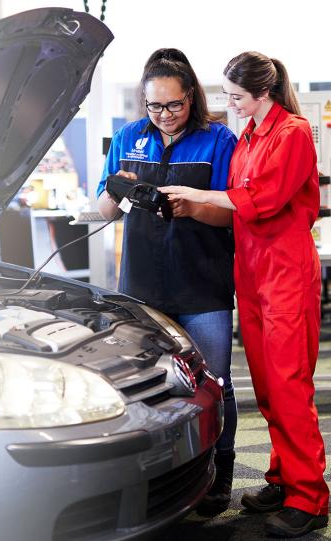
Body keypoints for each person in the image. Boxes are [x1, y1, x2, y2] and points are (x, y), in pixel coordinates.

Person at [159, 51, 329, 537]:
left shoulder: (292, 132)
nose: (229, 104)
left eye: (236, 96)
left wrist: (196, 195)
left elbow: (260, 199)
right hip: (252, 271)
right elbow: (239, 197)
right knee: (269, 386)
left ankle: (310, 497)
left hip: (285, 272)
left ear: (263, 93)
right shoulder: (252, 134)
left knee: (290, 383)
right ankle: (284, 477)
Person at [95, 48, 239, 515]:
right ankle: (158, 480)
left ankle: (220, 474)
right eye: (154, 106)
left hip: (201, 283)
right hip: (142, 287)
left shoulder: (218, 139)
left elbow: (232, 214)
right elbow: (103, 211)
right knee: (145, 388)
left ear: (191, 98)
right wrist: (117, 188)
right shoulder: (128, 136)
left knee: (214, 384)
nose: (164, 116)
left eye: (173, 106)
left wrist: (193, 206)